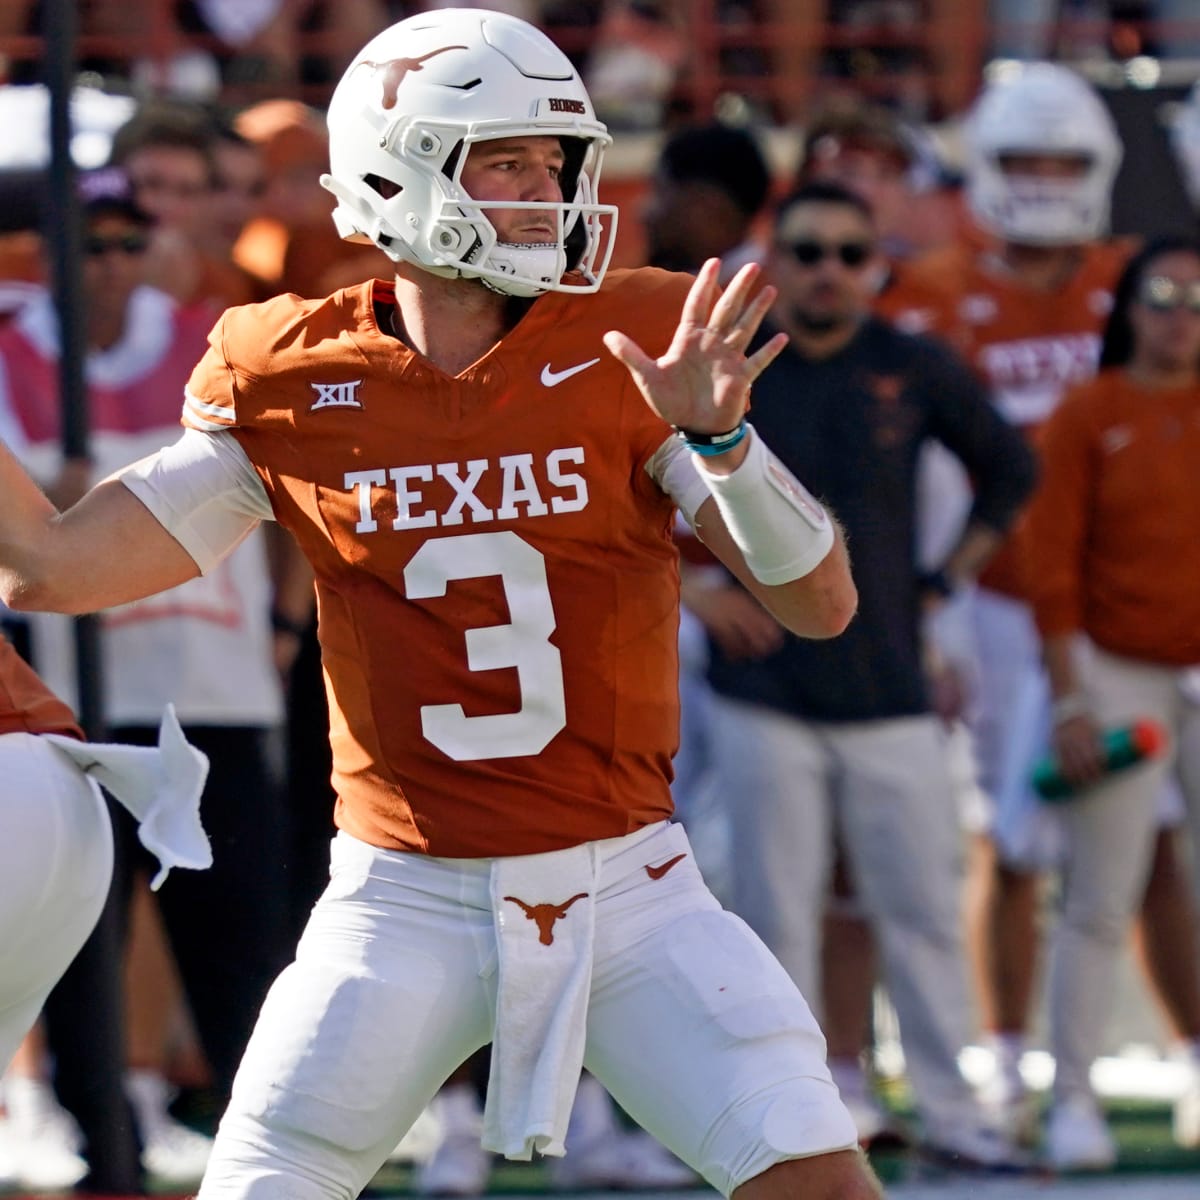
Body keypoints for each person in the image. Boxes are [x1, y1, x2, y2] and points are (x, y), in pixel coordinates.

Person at [0, 10, 878, 1200]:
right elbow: (49, 568)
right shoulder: (293, 376)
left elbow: (820, 602)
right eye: (506, 159)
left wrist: (718, 439)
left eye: (554, 160)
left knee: (813, 1181)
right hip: (397, 899)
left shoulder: (630, 347)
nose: (547, 188)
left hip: (632, 890)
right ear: (395, 167)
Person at [692, 179, 1036, 1168]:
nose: (829, 271)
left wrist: (940, 585)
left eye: (850, 253)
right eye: (808, 251)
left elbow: (1010, 470)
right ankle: (786, 1128)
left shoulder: (913, 364)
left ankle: (953, 1114)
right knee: (771, 920)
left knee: (923, 909)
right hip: (764, 691)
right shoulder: (734, 370)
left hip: (889, 683)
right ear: (776, 258)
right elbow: (623, 481)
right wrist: (694, 592)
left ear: (874, 265)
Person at [0, 165, 293, 1184]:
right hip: (78, 702)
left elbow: (289, 472)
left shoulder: (218, 339)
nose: (112, 266)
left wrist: (291, 622)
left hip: (212, 685)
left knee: (240, 952)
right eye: (92, 245)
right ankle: (93, 1144)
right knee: (78, 953)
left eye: (131, 242)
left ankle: (268, 1151)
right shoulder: (9, 349)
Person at [1023, 235, 1200, 1166]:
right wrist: (1069, 701)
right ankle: (1073, 1100)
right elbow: (1050, 567)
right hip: (1119, 668)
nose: (1181, 317)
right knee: (1098, 897)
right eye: (1164, 295)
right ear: (1130, 305)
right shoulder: (1088, 412)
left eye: (1196, 299)